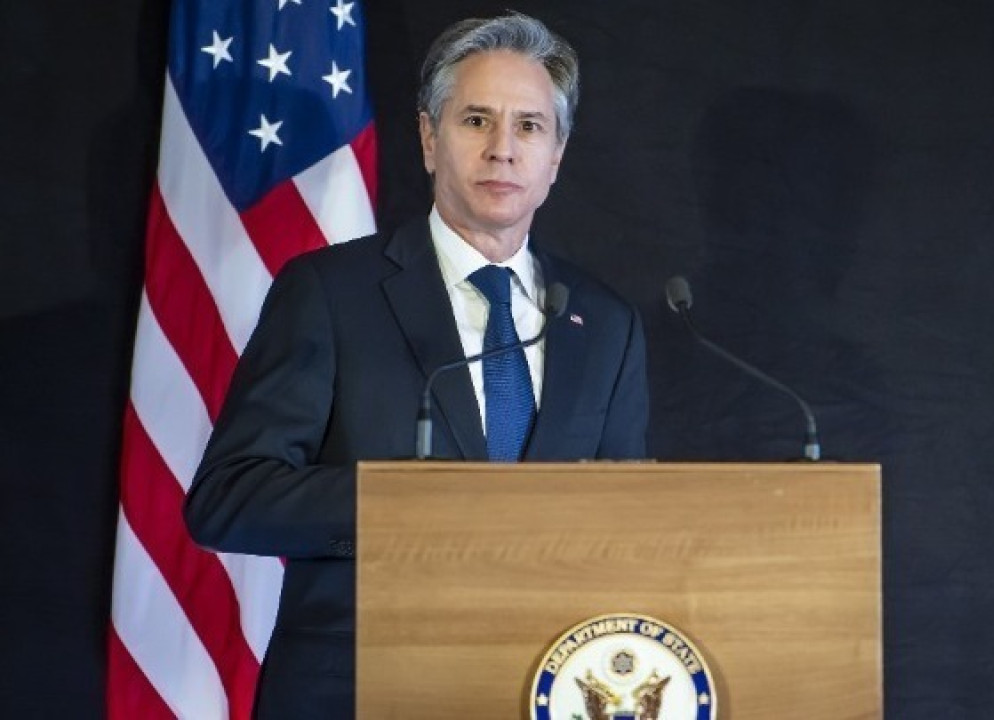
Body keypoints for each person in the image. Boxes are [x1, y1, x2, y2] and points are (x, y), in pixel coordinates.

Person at [185, 12, 648, 718]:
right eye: (476, 120)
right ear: (430, 139)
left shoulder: (604, 324)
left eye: (529, 127)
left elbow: (629, 525)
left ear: (556, 155)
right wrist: (406, 505)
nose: (502, 150)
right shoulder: (330, 293)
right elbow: (229, 498)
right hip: (361, 688)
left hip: (543, 688)